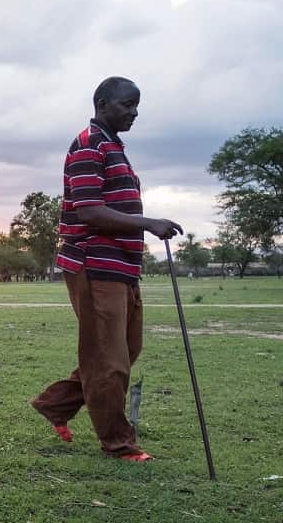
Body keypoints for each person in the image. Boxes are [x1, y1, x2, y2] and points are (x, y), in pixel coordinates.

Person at [30, 77, 182, 462]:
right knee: (108, 358)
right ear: (102, 103)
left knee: (126, 349)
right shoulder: (88, 145)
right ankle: (118, 443)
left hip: (122, 266)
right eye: (127, 105)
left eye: (136, 106)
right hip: (94, 263)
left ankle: (57, 403)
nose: (134, 113)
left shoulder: (113, 147)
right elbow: (90, 211)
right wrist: (148, 223)